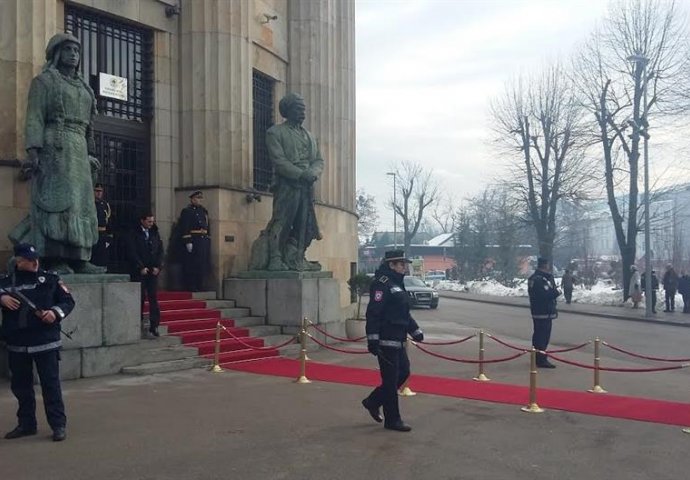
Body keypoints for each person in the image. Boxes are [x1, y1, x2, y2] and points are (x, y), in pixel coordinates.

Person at [9, 33, 103, 274]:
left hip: (78, 148)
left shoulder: (84, 88)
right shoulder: (45, 82)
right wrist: (34, 150)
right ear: (57, 53)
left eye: (77, 51)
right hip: (55, 145)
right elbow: (35, 118)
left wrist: (89, 152)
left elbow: (88, 125)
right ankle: (54, 257)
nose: (73, 54)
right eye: (68, 49)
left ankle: (80, 258)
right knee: (57, 203)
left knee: (81, 204)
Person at [0, 243, 75, 442]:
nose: (34, 263)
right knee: (21, 387)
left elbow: (67, 301)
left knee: (50, 385)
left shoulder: (50, 279)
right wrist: (2, 298)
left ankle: (58, 425)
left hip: (45, 341)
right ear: (18, 261)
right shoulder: (6, 282)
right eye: (28, 260)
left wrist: (55, 313)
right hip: (17, 342)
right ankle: (26, 424)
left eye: (35, 259)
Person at [248, 92, 324, 272]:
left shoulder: (311, 137)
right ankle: (275, 258)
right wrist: (300, 174)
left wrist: (312, 173)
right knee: (282, 220)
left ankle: (296, 256)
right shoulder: (275, 132)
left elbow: (319, 160)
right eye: (298, 109)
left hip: (307, 185)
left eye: (304, 110)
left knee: (305, 223)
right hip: (287, 185)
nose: (302, 114)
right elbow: (279, 161)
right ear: (287, 110)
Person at [361, 250, 423, 432]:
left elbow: (403, 312)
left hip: (399, 339)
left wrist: (415, 330)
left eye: (405, 264)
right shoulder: (382, 284)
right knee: (390, 381)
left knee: (403, 373)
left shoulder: (397, 283)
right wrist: (372, 339)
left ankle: (372, 401)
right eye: (402, 264)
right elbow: (373, 312)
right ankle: (393, 420)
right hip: (386, 340)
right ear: (391, 265)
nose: (405, 267)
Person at [127, 213, 164, 337]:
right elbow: (132, 251)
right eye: (148, 221)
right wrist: (140, 266)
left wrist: (158, 267)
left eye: (152, 221)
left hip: (152, 271)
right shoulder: (135, 233)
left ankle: (154, 326)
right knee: (141, 297)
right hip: (141, 271)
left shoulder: (154, 232)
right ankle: (138, 324)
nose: (151, 224)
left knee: (153, 298)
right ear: (142, 221)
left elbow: (160, 251)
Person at [527, 257, 560, 369]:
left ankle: (538, 357)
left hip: (541, 312)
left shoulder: (538, 278)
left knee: (539, 336)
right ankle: (541, 359)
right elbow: (545, 295)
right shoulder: (539, 280)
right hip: (543, 312)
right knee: (542, 337)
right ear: (545, 266)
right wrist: (556, 293)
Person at [178, 190, 211, 292]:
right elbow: (185, 226)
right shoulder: (187, 211)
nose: (199, 200)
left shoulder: (203, 211)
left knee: (202, 264)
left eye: (200, 198)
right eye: (197, 198)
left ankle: (200, 285)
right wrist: (188, 240)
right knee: (193, 264)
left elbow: (207, 226)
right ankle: (191, 285)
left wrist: (207, 237)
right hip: (194, 239)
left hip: (203, 240)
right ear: (192, 199)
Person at [90, 183, 113, 268]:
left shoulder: (105, 204)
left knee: (102, 257)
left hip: (102, 234)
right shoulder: (90, 203)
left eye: (100, 191)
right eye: (97, 191)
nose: (99, 193)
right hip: (92, 233)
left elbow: (109, 221)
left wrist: (109, 237)